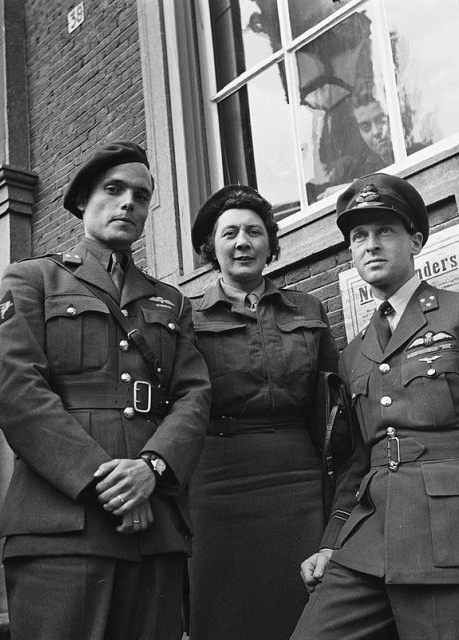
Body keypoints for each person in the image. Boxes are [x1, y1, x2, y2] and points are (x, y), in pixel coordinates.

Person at [291, 173, 459, 640]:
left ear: (415, 239)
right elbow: (359, 462)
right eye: (358, 237)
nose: (370, 245)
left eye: (384, 231)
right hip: (368, 545)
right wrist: (332, 543)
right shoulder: (356, 352)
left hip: (454, 543)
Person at [0, 141, 211, 640]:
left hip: (156, 528)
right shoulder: (32, 279)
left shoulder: (170, 302)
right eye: (114, 190)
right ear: (83, 200)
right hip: (64, 525)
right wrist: (107, 484)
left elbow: (194, 397)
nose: (128, 203)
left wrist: (152, 469)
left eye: (141, 195)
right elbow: (16, 392)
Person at [188, 184, 343, 640]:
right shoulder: (186, 318)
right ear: (210, 248)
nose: (243, 242)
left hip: (298, 480)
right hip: (218, 485)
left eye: (255, 232)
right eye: (230, 233)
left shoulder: (308, 309)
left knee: (303, 611)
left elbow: (329, 403)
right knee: (225, 615)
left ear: (270, 244)